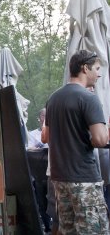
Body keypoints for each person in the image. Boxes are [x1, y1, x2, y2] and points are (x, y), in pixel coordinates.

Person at [44, 50, 109, 234]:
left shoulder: (53, 98)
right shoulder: (89, 98)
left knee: (68, 230)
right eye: (96, 68)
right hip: (84, 179)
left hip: (59, 178)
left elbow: (47, 137)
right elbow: (100, 139)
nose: (99, 73)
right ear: (84, 68)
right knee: (93, 230)